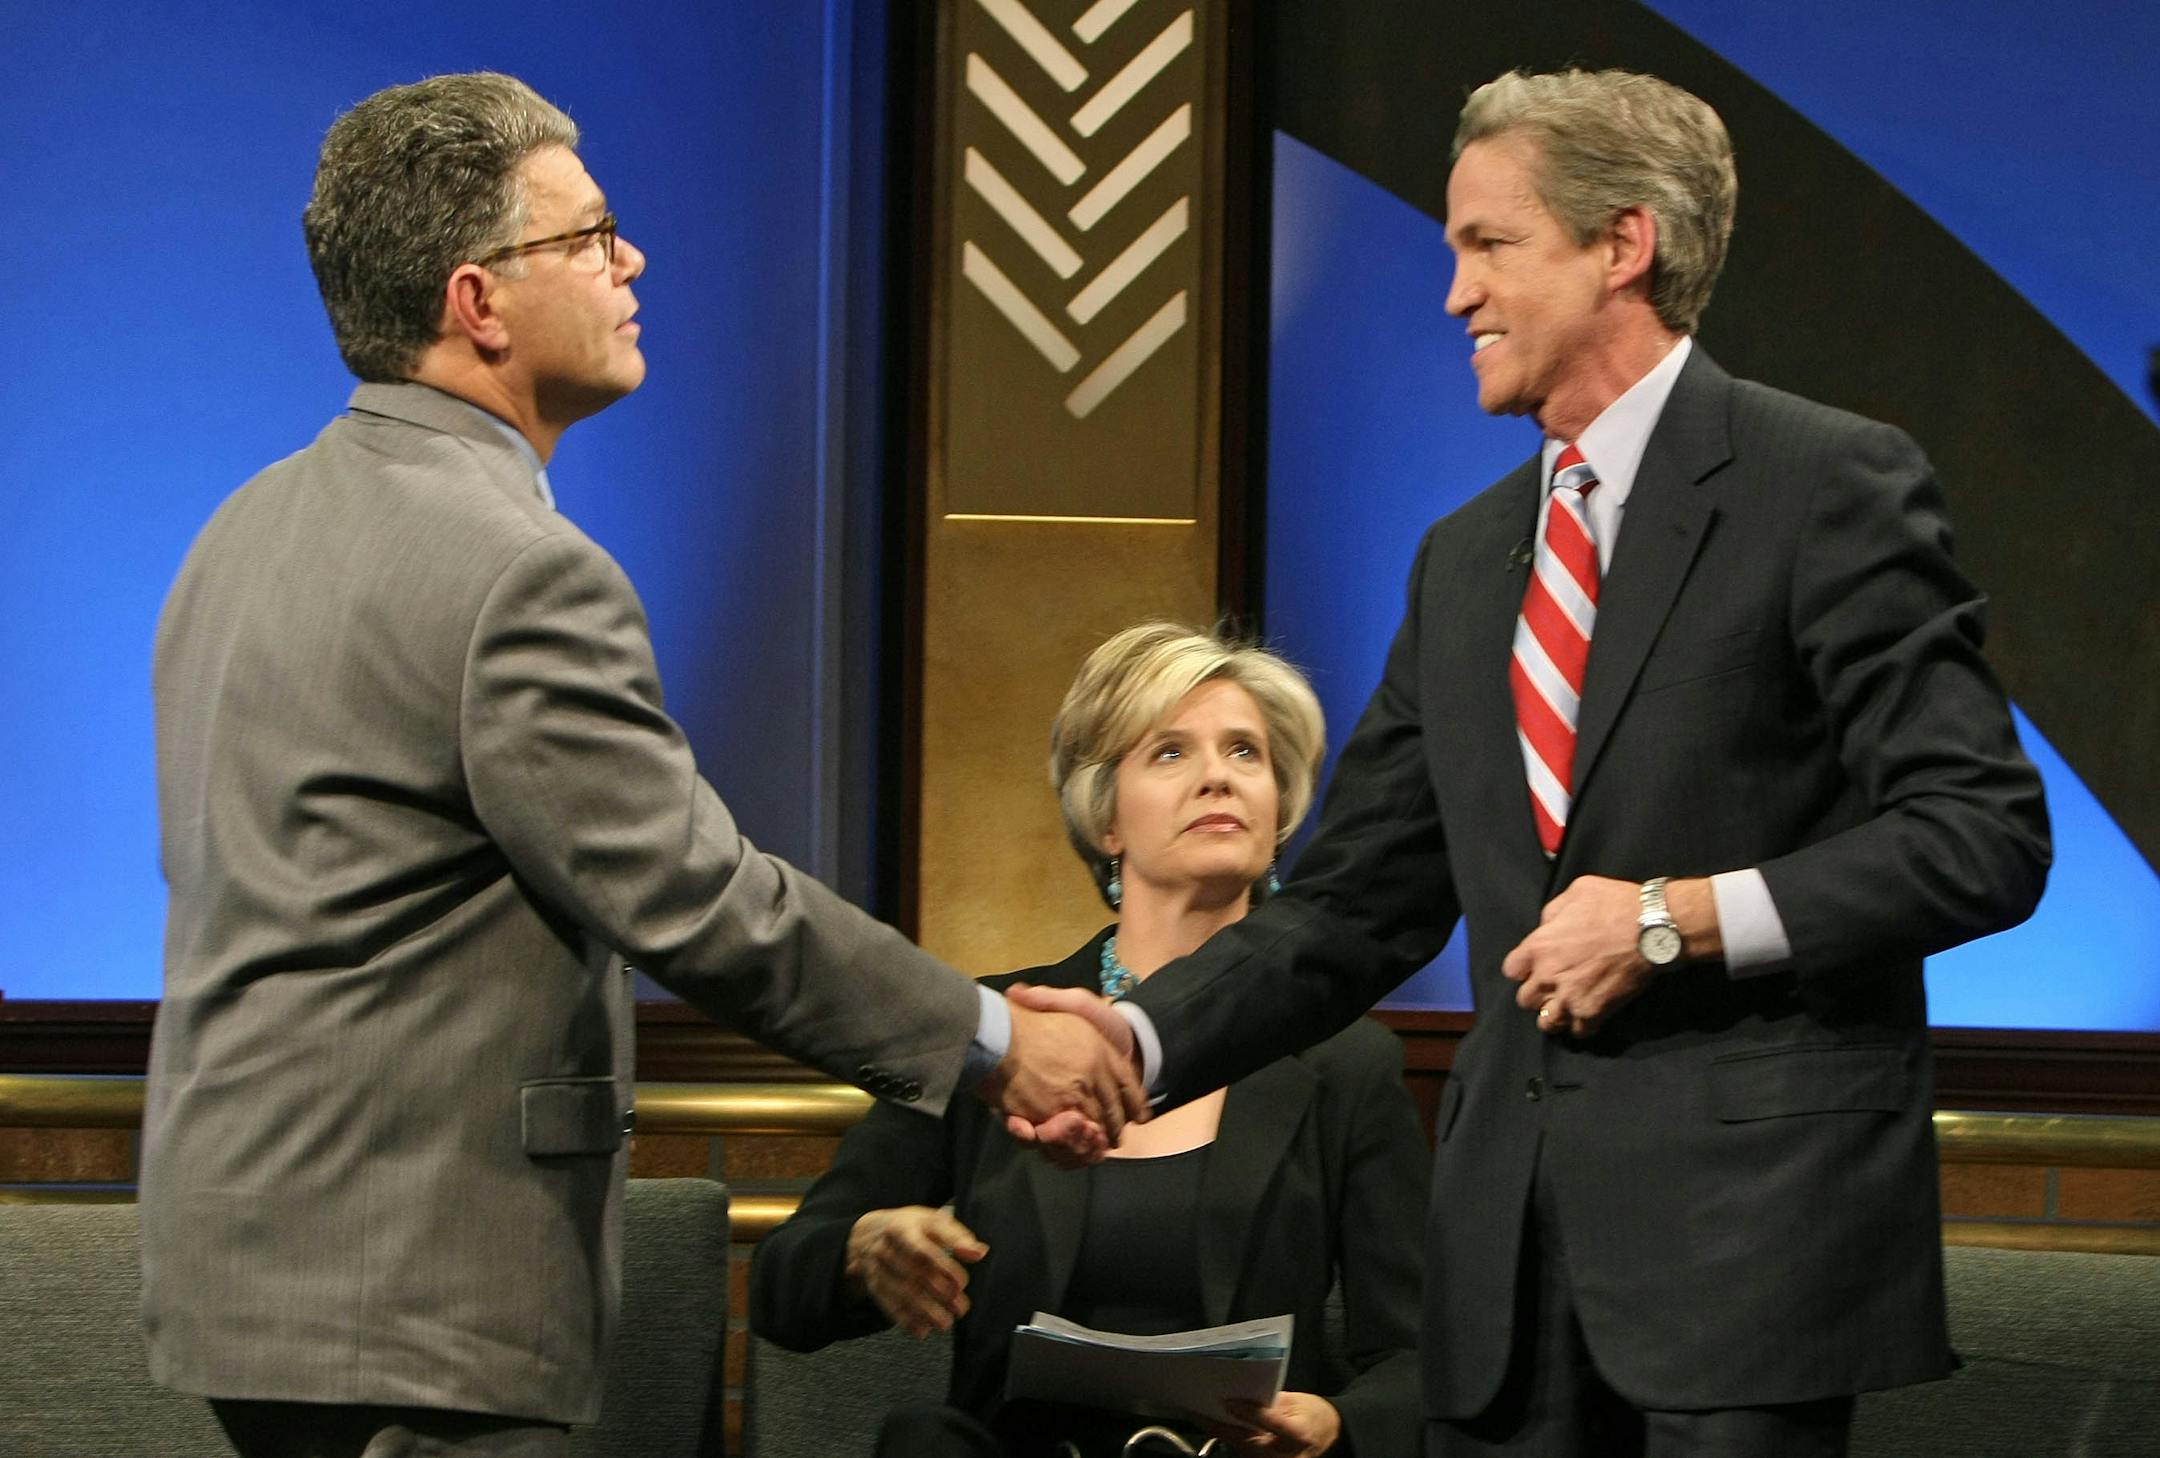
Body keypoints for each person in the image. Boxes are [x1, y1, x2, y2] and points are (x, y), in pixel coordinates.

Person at [1045, 69, 2052, 1457]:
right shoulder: (1464, 559)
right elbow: (1354, 902)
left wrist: (1672, 916)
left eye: (1486, 244)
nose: (1454, 294)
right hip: (1505, 1268)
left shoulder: (1825, 484)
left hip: (1745, 1255)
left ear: (1620, 245)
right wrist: (1141, 1033)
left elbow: (1981, 833)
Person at [144, 72, 1136, 1457]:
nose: (633, 259)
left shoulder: (236, 531)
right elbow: (694, 895)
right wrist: (987, 1043)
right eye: (590, 233)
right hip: (420, 1301)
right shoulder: (521, 571)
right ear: (477, 302)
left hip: (254, 1281)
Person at [753, 624, 1429, 1458]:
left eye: (1246, 753)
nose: (1218, 774)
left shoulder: (1349, 1062)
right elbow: (785, 1288)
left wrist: (1336, 1424)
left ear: (1281, 808)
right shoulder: (995, 1028)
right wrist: (863, 1252)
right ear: (1105, 818)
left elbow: (1415, 1359)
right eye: (1171, 753)